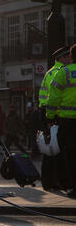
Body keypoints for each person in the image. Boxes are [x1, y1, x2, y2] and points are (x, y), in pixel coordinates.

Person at [39, 46, 72, 191]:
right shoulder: (59, 72)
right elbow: (54, 97)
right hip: (54, 115)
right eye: (68, 57)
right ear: (62, 58)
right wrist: (51, 118)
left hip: (50, 113)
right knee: (53, 150)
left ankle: (52, 181)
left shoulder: (51, 71)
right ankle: (50, 181)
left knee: (54, 149)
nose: (70, 59)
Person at [46, 44, 76, 199]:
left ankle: (75, 187)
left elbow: (54, 98)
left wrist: (50, 117)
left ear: (71, 57)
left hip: (68, 121)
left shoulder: (64, 73)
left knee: (71, 154)